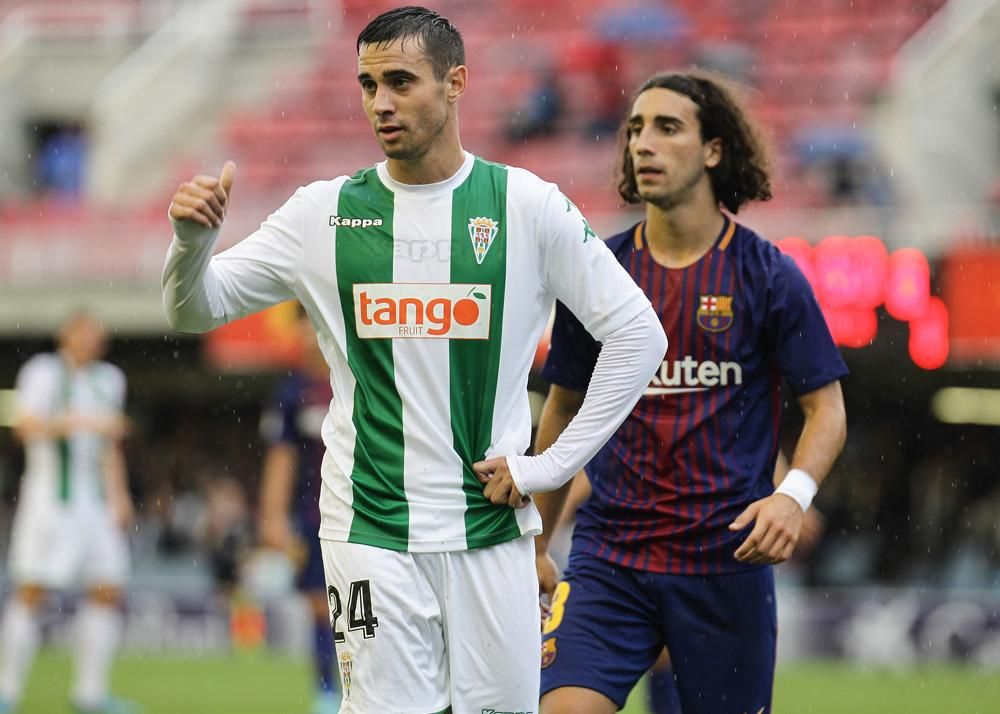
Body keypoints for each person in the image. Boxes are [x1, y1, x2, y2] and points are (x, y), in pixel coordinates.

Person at [161, 7, 666, 712]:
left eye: (401, 81)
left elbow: (640, 336)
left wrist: (548, 467)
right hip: (368, 525)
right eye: (369, 85)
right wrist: (191, 245)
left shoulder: (524, 205)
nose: (381, 102)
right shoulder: (324, 213)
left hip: (489, 525)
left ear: (456, 82)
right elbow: (194, 308)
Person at [534, 70, 848, 714]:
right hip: (610, 557)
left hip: (725, 562)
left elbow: (827, 410)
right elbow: (563, 413)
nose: (643, 144)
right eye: (635, 130)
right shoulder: (598, 274)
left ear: (714, 149)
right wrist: (533, 545)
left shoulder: (769, 276)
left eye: (667, 128)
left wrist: (793, 497)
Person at [0, 311, 137, 714]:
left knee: (108, 588)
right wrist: (86, 421)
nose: (94, 340)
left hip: (94, 504)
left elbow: (109, 444)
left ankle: (90, 696)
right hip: (49, 501)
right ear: (66, 335)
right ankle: (6, 692)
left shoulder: (110, 379)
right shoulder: (42, 373)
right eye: (86, 332)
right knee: (32, 591)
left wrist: (120, 494)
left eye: (98, 334)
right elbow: (25, 427)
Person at [257, 307, 340, 714]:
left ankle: (368, 685)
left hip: (368, 510)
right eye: (302, 327)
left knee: (368, 602)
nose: (309, 335)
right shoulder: (292, 393)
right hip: (315, 516)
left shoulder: (355, 377)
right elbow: (281, 458)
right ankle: (327, 690)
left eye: (315, 325)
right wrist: (272, 517)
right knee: (320, 604)